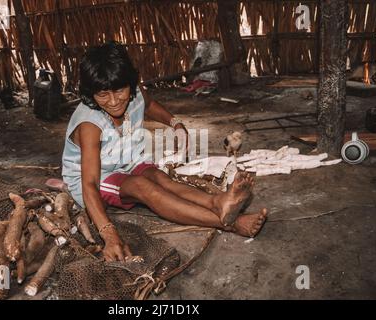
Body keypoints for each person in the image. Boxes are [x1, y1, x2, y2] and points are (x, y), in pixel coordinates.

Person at [62, 42, 267, 262]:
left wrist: (175, 123)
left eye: (119, 91)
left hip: (127, 160)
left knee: (162, 179)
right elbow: (89, 184)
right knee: (144, 188)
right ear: (90, 92)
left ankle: (216, 203)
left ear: (130, 83)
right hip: (95, 177)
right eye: (102, 94)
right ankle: (231, 223)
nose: (113, 102)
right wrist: (110, 236)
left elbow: (149, 104)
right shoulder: (90, 125)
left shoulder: (135, 93)